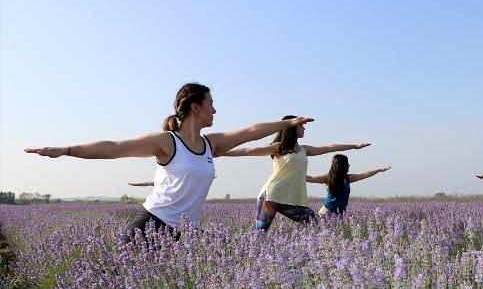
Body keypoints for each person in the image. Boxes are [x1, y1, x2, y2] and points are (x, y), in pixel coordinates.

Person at [25, 82, 314, 240]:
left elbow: (251, 132)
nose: (215, 109)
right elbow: (114, 147)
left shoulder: (211, 144)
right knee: (115, 287)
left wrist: (288, 123)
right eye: (211, 104)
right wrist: (66, 149)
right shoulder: (167, 142)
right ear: (195, 107)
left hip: (186, 234)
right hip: (152, 226)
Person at [222, 116, 369, 230]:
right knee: (259, 234)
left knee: (314, 222)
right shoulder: (279, 147)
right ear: (291, 127)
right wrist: (222, 152)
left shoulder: (304, 149)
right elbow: (249, 151)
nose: (304, 128)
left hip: (290, 199)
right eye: (301, 125)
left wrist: (354, 146)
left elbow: (329, 147)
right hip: (271, 196)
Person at [307, 154, 390, 217]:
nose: (349, 165)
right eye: (347, 163)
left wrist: (379, 170)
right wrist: (294, 175)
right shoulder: (328, 178)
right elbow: (311, 178)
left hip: (341, 212)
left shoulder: (348, 178)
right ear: (341, 165)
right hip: (327, 211)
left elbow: (364, 174)